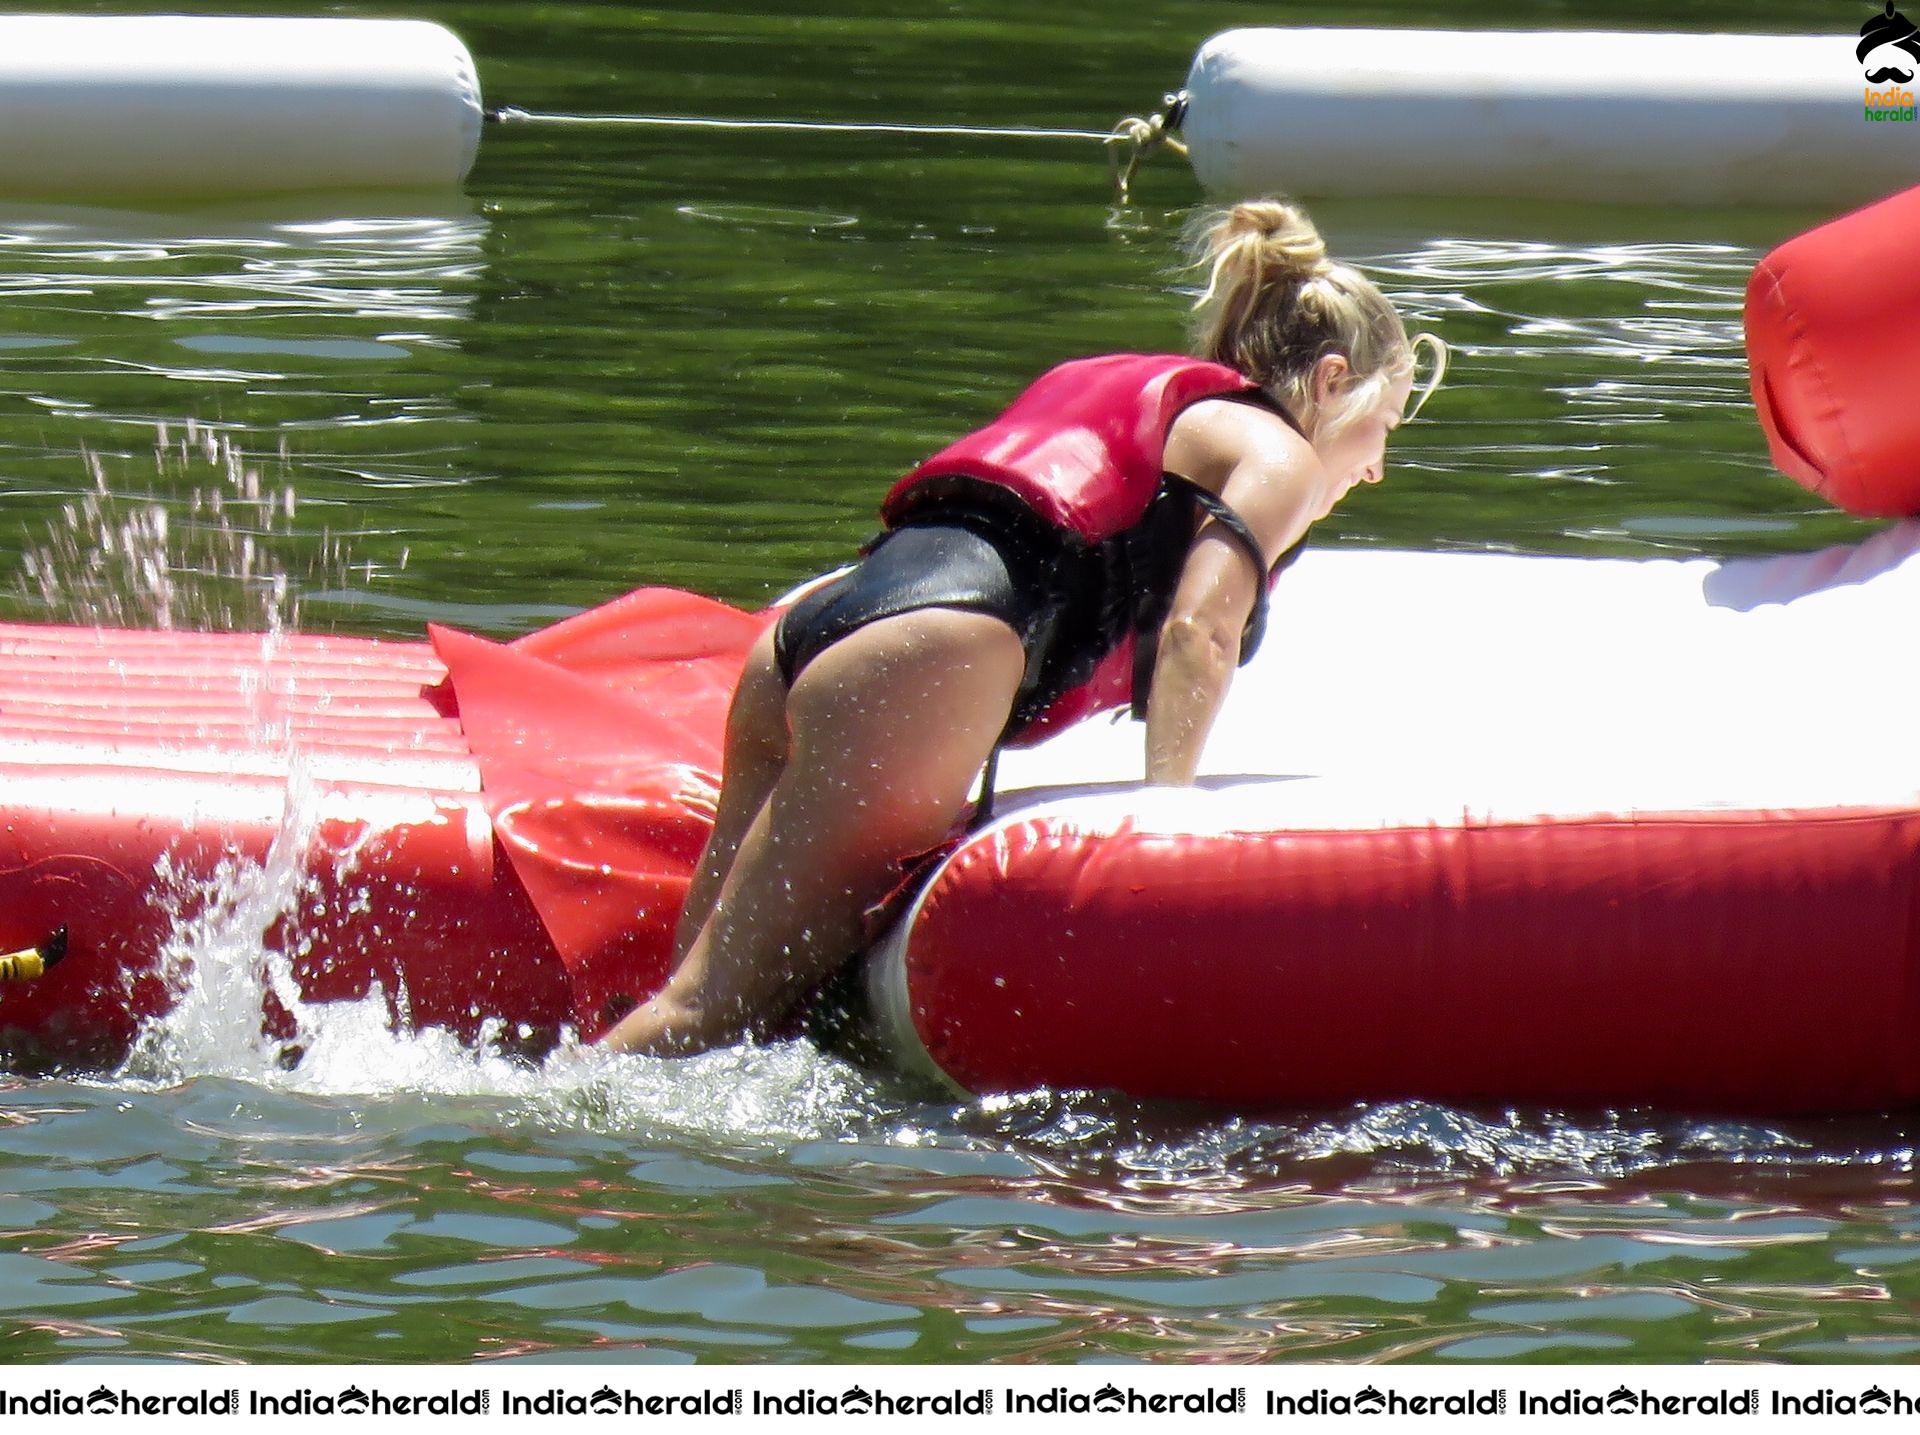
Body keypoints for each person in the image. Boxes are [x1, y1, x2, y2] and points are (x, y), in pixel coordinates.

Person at [602, 197, 1445, 1057]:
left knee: (699, 1016)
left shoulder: (1144, 389)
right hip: (927, 661)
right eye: (1382, 428)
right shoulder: (1280, 456)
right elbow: (1200, 629)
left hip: (807, 640)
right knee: (706, 1020)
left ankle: (577, 1119)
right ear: (1333, 381)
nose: (1375, 468)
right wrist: (1164, 827)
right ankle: (564, 1156)